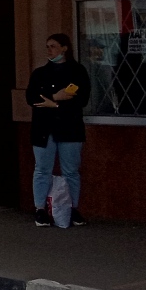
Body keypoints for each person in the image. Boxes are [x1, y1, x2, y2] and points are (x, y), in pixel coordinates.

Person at [26, 33, 91, 227]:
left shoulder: (77, 71)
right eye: (47, 46)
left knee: (71, 170)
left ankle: (72, 209)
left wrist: (53, 104)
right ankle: (40, 209)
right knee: (42, 169)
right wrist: (57, 97)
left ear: (64, 48)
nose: (49, 50)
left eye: (53, 46)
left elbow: (82, 99)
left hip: (69, 128)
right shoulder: (39, 73)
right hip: (43, 129)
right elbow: (33, 98)